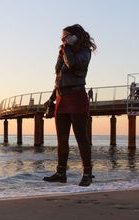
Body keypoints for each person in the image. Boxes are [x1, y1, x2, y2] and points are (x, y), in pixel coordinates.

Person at [43, 24, 97, 187]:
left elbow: (72, 64)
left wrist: (65, 48)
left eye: (66, 37)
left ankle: (87, 173)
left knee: (81, 138)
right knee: (62, 139)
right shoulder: (63, 51)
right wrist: (52, 98)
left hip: (77, 96)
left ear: (75, 36)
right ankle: (61, 173)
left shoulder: (85, 51)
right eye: (62, 37)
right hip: (61, 97)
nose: (63, 39)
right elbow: (58, 75)